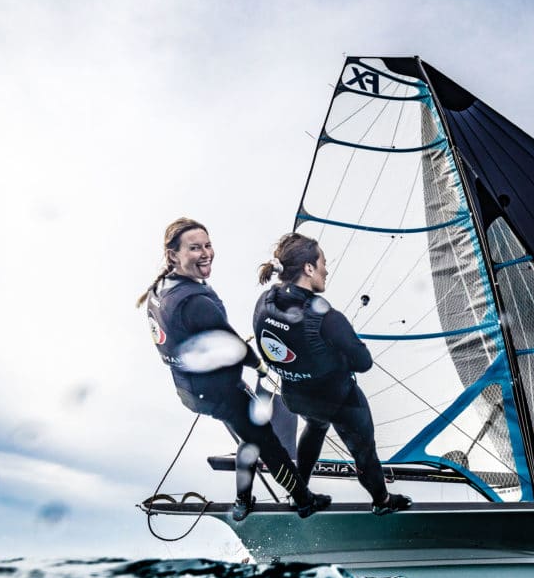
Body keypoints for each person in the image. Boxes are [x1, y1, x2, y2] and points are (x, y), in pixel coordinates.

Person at [137, 218, 330, 521]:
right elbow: (236, 348)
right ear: (173, 255)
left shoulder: (160, 289)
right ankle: (304, 500)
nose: (205, 253)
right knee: (265, 441)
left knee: (249, 436)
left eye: (207, 245)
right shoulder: (196, 302)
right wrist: (261, 365)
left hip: (190, 391)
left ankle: (243, 501)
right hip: (220, 392)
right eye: (194, 248)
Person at [252, 233, 412, 515]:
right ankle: (383, 501)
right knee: (363, 450)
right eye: (323, 263)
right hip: (339, 402)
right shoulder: (326, 317)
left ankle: (299, 496)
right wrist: (338, 352)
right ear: (309, 268)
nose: (327, 269)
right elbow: (363, 362)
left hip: (297, 398)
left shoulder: (264, 302)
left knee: (315, 426)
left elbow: (275, 346)